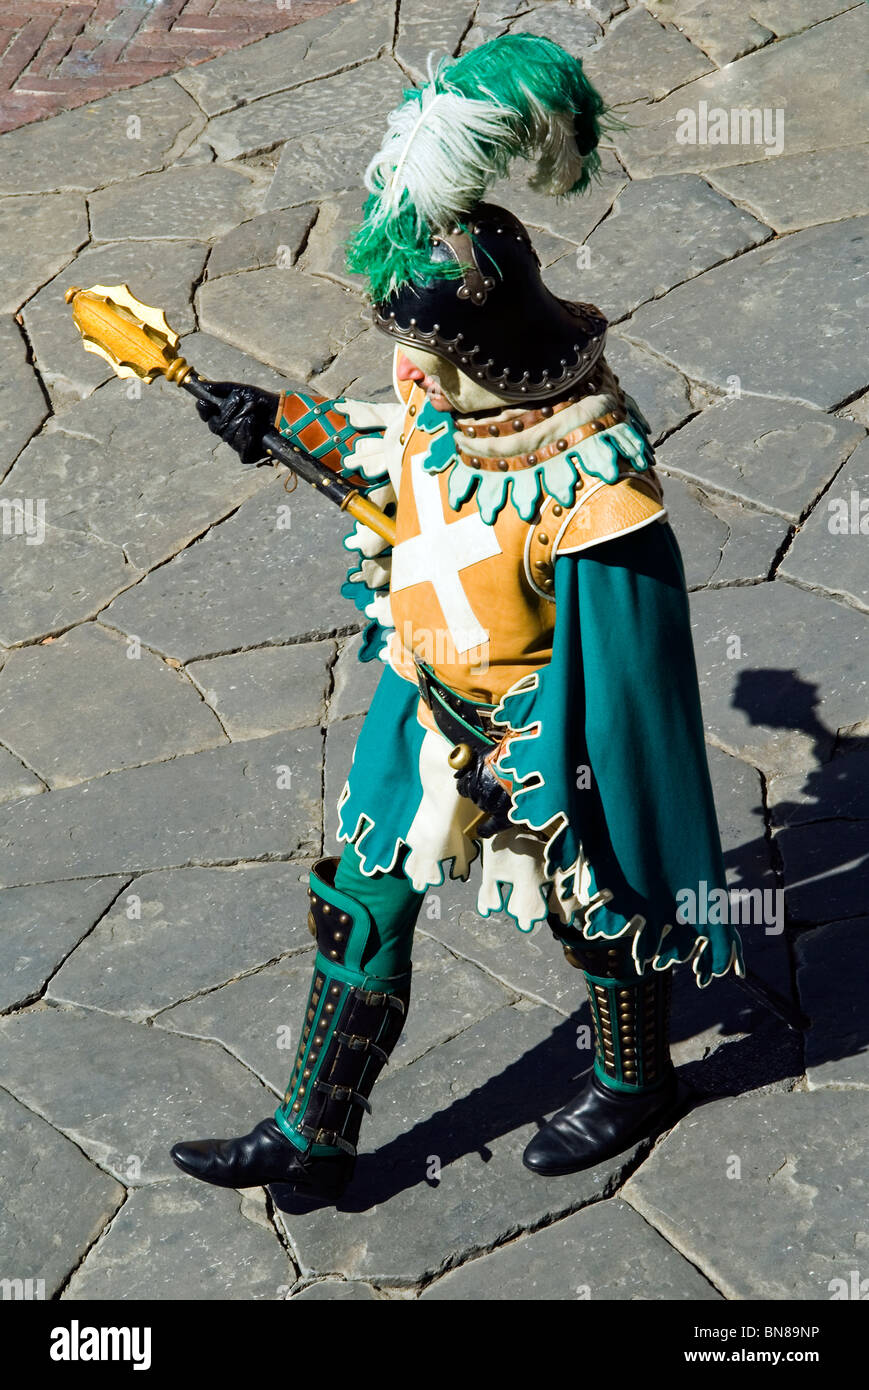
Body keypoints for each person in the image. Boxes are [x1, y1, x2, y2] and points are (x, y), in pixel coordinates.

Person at [170, 33, 743, 1201]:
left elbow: (629, 677)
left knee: (597, 897)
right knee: (363, 892)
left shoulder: (592, 476)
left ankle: (634, 1080)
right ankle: (311, 1130)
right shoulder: (433, 409)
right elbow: (390, 480)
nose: (410, 376)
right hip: (425, 695)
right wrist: (275, 419)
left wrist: (545, 763)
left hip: (546, 725)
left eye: (427, 354)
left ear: (491, 351)